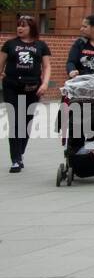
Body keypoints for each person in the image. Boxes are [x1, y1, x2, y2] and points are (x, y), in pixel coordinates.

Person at [1, 16, 52, 172]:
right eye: (18, 26)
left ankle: (20, 151)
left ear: (32, 28)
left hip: (32, 89)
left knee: (27, 122)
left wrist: (44, 84)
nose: (20, 28)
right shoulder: (10, 44)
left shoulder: (41, 46)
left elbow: (46, 67)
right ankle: (15, 159)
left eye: (23, 26)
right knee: (15, 122)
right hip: (12, 87)